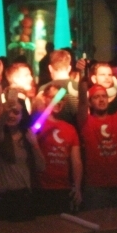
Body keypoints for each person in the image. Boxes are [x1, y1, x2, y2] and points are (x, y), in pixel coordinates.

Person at [77, 57, 117, 209]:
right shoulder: (86, 122)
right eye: (96, 97)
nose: (101, 100)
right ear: (91, 102)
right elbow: (82, 101)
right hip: (95, 187)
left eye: (104, 96)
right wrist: (82, 73)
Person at [0, 96, 45, 221]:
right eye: (9, 112)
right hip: (1, 196)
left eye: (16, 112)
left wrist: (35, 145)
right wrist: (4, 113)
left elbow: (41, 167)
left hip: (22, 196)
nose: (11, 115)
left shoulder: (28, 136)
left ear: (22, 116)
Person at [33, 84, 83, 215]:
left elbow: (76, 161)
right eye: (54, 97)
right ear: (45, 98)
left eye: (62, 99)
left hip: (63, 188)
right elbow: (33, 132)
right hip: (41, 188)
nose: (58, 102)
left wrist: (77, 187)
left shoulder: (70, 128)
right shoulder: (37, 123)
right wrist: (42, 106)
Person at [36, 49, 79, 122]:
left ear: (50, 68)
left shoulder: (43, 89)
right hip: (74, 128)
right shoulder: (79, 87)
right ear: (69, 68)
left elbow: (37, 114)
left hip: (51, 128)